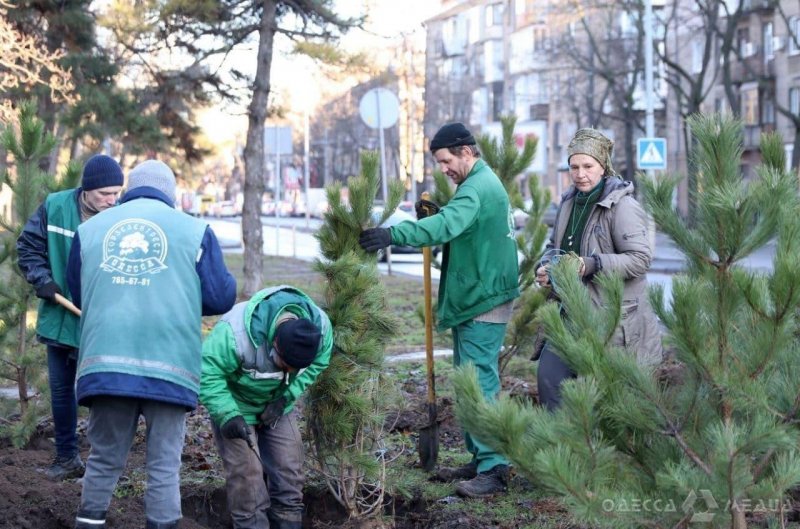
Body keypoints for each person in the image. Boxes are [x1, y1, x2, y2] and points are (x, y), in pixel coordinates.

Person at [66, 159, 237, 529]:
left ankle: (88, 522)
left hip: (105, 363)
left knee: (104, 458)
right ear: (170, 195)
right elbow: (221, 297)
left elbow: (78, 290)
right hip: (170, 366)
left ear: (129, 190)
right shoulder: (194, 230)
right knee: (163, 465)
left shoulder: (91, 229)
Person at [359, 122, 520, 498]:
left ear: (466, 151)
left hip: (484, 296)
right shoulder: (477, 185)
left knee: (478, 384)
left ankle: (494, 468)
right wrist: (437, 212)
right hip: (479, 294)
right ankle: (481, 459)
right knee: (469, 381)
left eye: (446, 160)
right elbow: (460, 221)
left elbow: (447, 225)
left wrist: (392, 234)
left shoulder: (476, 187)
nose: (444, 168)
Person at [534, 128, 663, 410]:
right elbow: (553, 246)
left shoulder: (622, 206)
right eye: (574, 167)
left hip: (610, 320)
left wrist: (591, 265)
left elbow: (640, 259)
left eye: (588, 166)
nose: (580, 174)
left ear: (603, 167)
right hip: (569, 313)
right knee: (549, 380)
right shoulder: (568, 203)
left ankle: (599, 452)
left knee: (609, 400)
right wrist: (545, 267)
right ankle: (562, 450)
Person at [16, 154, 124, 481]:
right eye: (105, 193)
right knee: (62, 393)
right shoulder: (56, 206)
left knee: (102, 395)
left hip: (101, 322)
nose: (112, 199)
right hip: (62, 319)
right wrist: (43, 280)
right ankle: (66, 458)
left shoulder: (120, 216)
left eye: (117, 192)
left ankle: (103, 467)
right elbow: (28, 248)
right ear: (87, 189)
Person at [200, 285, 333, 529]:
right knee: (247, 477)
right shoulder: (235, 334)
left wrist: (286, 396)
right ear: (275, 343)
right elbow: (208, 373)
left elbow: (319, 364)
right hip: (235, 405)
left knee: (288, 468)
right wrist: (227, 415)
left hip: (277, 403)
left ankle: (288, 522)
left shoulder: (321, 330)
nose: (289, 372)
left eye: (296, 369)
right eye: (285, 365)